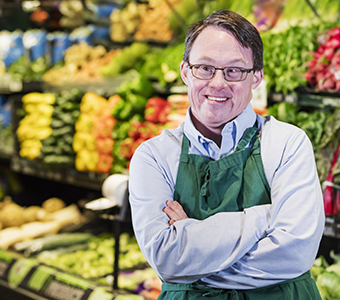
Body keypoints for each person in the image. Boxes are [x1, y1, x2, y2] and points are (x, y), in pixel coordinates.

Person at [129, 9, 324, 299]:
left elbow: (294, 254)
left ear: (256, 77)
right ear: (185, 71)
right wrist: (264, 218)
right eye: (205, 68)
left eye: (234, 70)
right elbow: (168, 260)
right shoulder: (154, 156)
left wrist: (192, 253)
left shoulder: (287, 143)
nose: (218, 83)